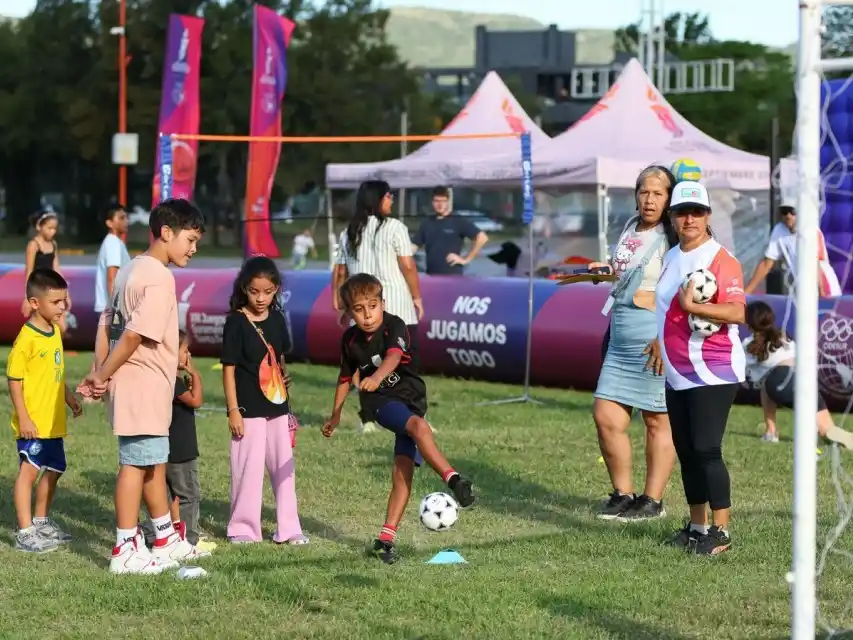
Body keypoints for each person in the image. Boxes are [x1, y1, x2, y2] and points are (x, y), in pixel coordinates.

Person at [77, 198, 209, 574]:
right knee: (134, 466)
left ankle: (165, 539)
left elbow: (107, 324)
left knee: (153, 462)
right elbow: (132, 335)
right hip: (143, 384)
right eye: (190, 239)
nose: (194, 248)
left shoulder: (131, 268)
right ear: (167, 233)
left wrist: (99, 369)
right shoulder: (158, 277)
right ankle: (125, 548)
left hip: (141, 385)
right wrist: (101, 375)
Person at [322, 273, 474, 564]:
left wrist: (377, 376)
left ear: (383, 303)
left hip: (412, 398)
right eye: (359, 309)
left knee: (403, 472)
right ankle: (454, 479)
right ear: (349, 312)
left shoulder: (395, 325)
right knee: (419, 426)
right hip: (380, 402)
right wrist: (336, 414)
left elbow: (392, 357)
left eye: (373, 306)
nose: (367, 315)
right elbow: (344, 377)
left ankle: (385, 539)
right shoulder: (350, 339)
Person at [655, 181, 747, 556]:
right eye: (681, 212)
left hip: (713, 369)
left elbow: (737, 313)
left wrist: (695, 309)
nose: (689, 218)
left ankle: (721, 533)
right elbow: (664, 308)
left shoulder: (721, 260)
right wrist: (656, 339)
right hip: (677, 371)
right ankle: (697, 526)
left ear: (708, 216)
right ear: (673, 218)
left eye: (696, 211)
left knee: (706, 448)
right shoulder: (673, 256)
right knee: (686, 449)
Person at [587, 165, 677, 522]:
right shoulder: (628, 228)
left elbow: (676, 288)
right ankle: (623, 495)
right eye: (644, 191)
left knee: (657, 420)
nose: (649, 199)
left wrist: (663, 337)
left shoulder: (672, 237)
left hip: (653, 336)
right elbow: (623, 272)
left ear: (669, 198)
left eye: (658, 193)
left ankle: (652, 501)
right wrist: (603, 271)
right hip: (620, 333)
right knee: (605, 415)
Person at [221, 256, 307, 546]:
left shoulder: (278, 319)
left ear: (277, 289)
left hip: (277, 407)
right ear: (244, 288)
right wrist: (233, 410)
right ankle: (243, 529)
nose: (261, 298)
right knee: (248, 469)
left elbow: (278, 357)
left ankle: (289, 528)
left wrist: (282, 379)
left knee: (284, 471)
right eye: (254, 291)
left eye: (268, 292)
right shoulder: (235, 321)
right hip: (247, 410)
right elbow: (229, 368)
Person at [331, 181, 423, 433]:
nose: (391, 200)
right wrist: (417, 297)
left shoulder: (350, 231)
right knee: (406, 362)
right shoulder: (395, 228)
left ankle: (368, 418)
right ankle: (413, 414)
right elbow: (407, 266)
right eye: (388, 196)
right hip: (395, 305)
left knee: (364, 363)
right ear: (378, 199)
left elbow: (340, 270)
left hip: (360, 308)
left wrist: (340, 303)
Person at [8, 269, 82, 553]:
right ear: (35, 303)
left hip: (53, 423)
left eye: (64, 301)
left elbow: (55, 373)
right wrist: (24, 417)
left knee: (54, 470)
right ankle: (25, 532)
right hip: (34, 424)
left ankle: (40, 521)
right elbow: (15, 379)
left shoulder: (53, 332)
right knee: (29, 473)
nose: (63, 307)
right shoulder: (26, 338)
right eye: (56, 302)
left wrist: (69, 398)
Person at [743, 300, 853, 448]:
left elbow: (739, 368)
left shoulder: (749, 344)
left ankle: (772, 432)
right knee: (827, 429)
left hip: (781, 380)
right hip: (804, 377)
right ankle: (817, 431)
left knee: (768, 382)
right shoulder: (783, 336)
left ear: (748, 322)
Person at [744, 204, 841, 297]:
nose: (788, 216)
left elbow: (815, 264)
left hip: (824, 286)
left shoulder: (810, 231)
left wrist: (821, 291)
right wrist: (747, 292)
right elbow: (766, 264)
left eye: (792, 212)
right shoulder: (779, 230)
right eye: (784, 212)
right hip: (803, 289)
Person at [412, 186, 489, 276]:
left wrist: (466, 259)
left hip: (452, 276)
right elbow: (413, 246)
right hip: (431, 276)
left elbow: (482, 238)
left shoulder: (458, 220)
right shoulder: (427, 223)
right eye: (437, 201)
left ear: (448, 202)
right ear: (432, 202)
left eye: (443, 201)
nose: (440, 205)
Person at [22, 209, 70, 334]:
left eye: (55, 229)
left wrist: (66, 293)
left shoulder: (53, 244)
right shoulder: (33, 245)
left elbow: (57, 270)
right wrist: (27, 297)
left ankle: (53, 351)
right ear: (39, 226)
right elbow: (29, 272)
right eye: (49, 228)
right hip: (40, 290)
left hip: (52, 289)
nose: (53, 232)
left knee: (62, 326)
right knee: (51, 326)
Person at [94, 204, 131, 315]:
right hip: (112, 310)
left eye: (126, 217)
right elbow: (112, 277)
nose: (126, 221)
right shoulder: (113, 243)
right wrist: (116, 309)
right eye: (121, 218)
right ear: (109, 223)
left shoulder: (115, 242)